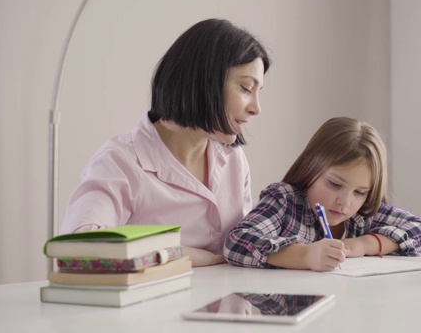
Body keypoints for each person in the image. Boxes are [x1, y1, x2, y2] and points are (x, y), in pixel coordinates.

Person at [59, 18, 271, 267]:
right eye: (246, 88)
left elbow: (241, 246)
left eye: (258, 92)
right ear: (204, 82)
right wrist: (178, 253)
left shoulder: (234, 160)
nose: (257, 108)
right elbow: (78, 248)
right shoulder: (120, 163)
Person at [223, 117, 421, 271]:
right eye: (334, 184)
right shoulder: (284, 200)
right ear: (311, 166)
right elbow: (237, 242)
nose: (345, 202)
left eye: (360, 192)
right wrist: (305, 256)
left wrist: (362, 245)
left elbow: (420, 232)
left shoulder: (363, 214)